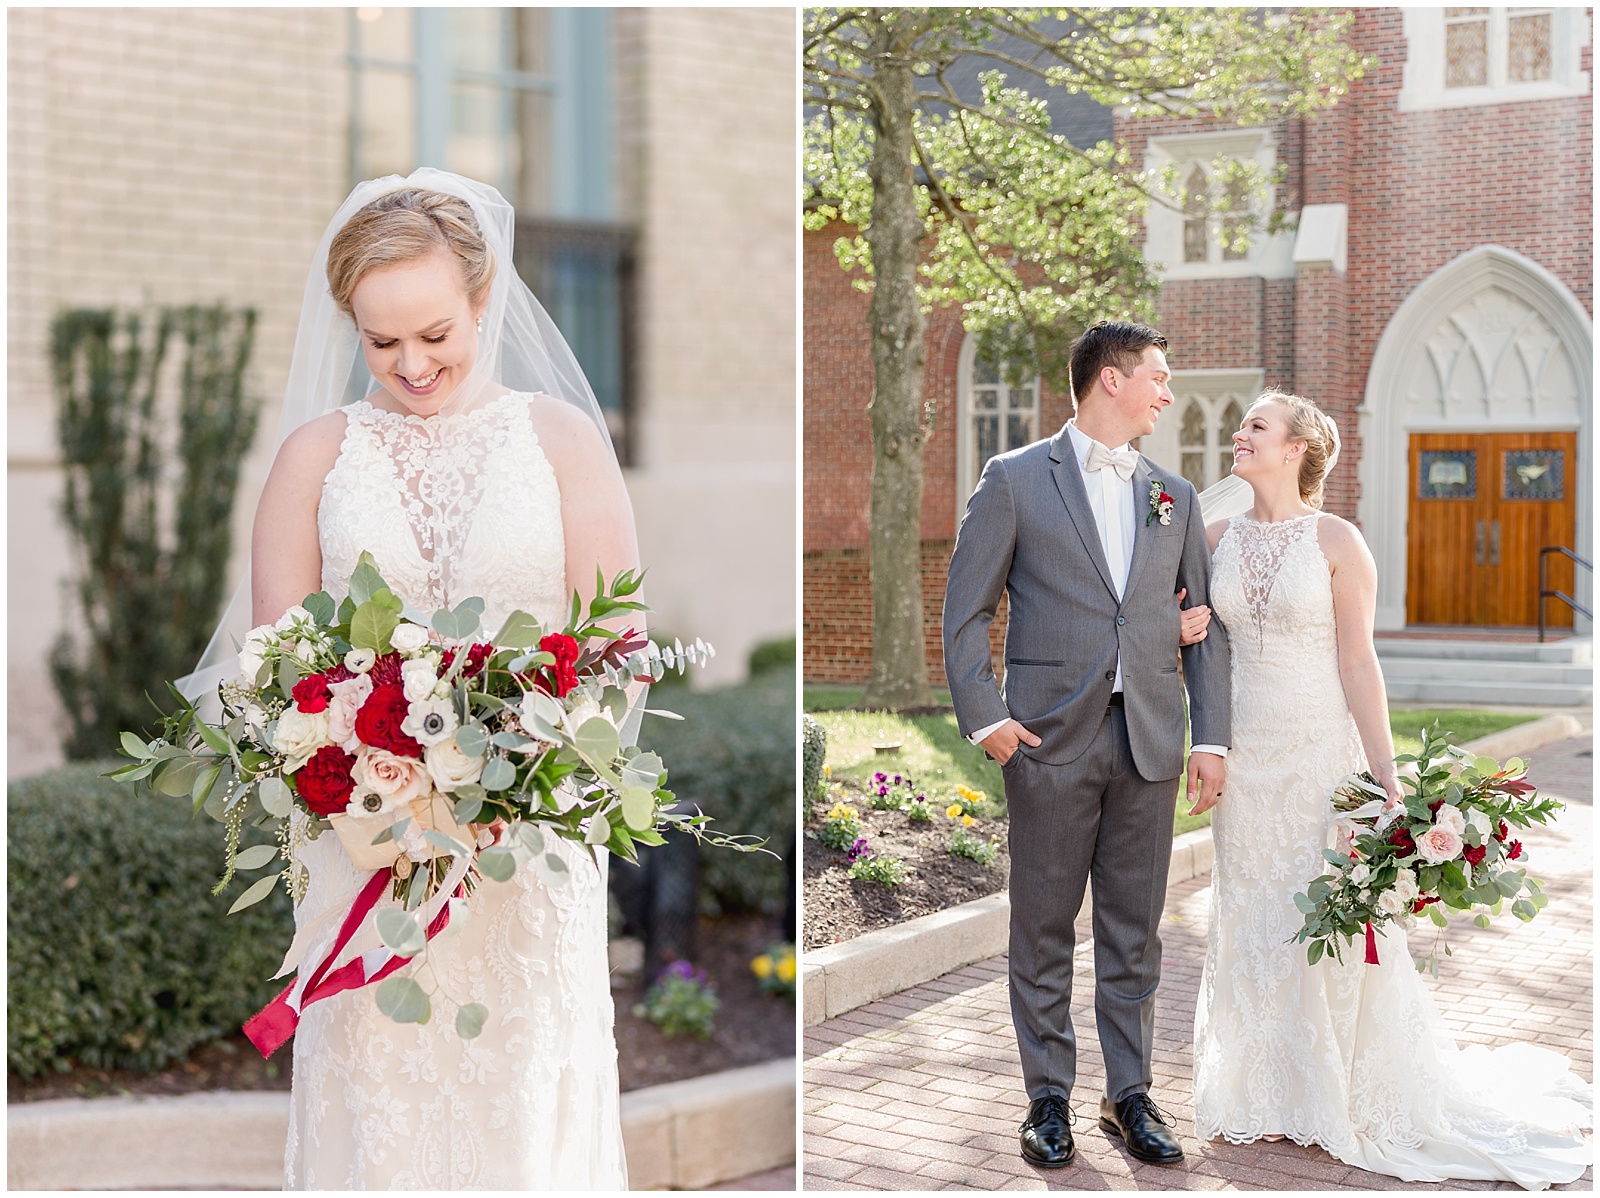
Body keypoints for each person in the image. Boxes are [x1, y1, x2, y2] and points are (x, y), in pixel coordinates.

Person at [205, 170, 635, 1188]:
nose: (411, 364)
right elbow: (278, 673)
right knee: (384, 1109)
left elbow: (616, 648)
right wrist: (371, 786)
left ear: (483, 299)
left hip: (527, 854)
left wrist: (519, 782)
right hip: (370, 854)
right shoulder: (315, 456)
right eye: (381, 340)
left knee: (519, 1113)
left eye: (435, 333)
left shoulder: (562, 443)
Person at [1180, 389, 1591, 1187]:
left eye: (1257, 425)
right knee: (1253, 909)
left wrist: (1385, 780)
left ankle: (1332, 1089)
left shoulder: (1337, 540)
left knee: (1324, 913)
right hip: (1249, 759)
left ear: (1297, 447)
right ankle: (1261, 1088)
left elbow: (1359, 662)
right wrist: (1187, 666)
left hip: (1319, 754)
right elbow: (1189, 642)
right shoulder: (1214, 538)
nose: (1240, 432)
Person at [942, 320, 1233, 1169]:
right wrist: (987, 719)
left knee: (1136, 931)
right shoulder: (1015, 479)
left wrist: (1210, 736)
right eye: (1158, 377)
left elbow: (1199, 629)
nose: (1168, 394)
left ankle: (1129, 1095)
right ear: (1111, 380)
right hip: (1047, 740)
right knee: (1042, 926)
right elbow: (966, 613)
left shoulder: (1172, 493)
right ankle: (1046, 1100)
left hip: (1148, 740)